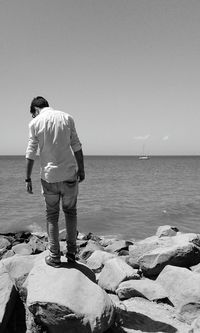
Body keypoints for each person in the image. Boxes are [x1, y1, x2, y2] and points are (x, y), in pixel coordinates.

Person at [25, 96, 85, 268]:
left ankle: (54, 256)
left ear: (35, 110)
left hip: (49, 177)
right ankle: (72, 254)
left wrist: (27, 178)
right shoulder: (67, 117)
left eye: (33, 114)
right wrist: (81, 169)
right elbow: (77, 146)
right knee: (70, 213)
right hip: (68, 174)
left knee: (52, 215)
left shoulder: (35, 123)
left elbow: (30, 153)